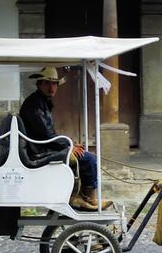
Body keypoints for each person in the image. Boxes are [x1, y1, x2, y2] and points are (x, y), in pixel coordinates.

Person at [19, 67, 113, 212]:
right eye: (47, 83)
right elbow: (47, 135)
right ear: (39, 84)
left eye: (54, 83)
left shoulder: (41, 101)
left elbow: (48, 134)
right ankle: (85, 198)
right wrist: (69, 147)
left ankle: (83, 197)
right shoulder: (35, 104)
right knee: (88, 159)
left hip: (42, 147)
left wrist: (70, 144)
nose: (51, 87)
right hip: (39, 152)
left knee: (86, 155)